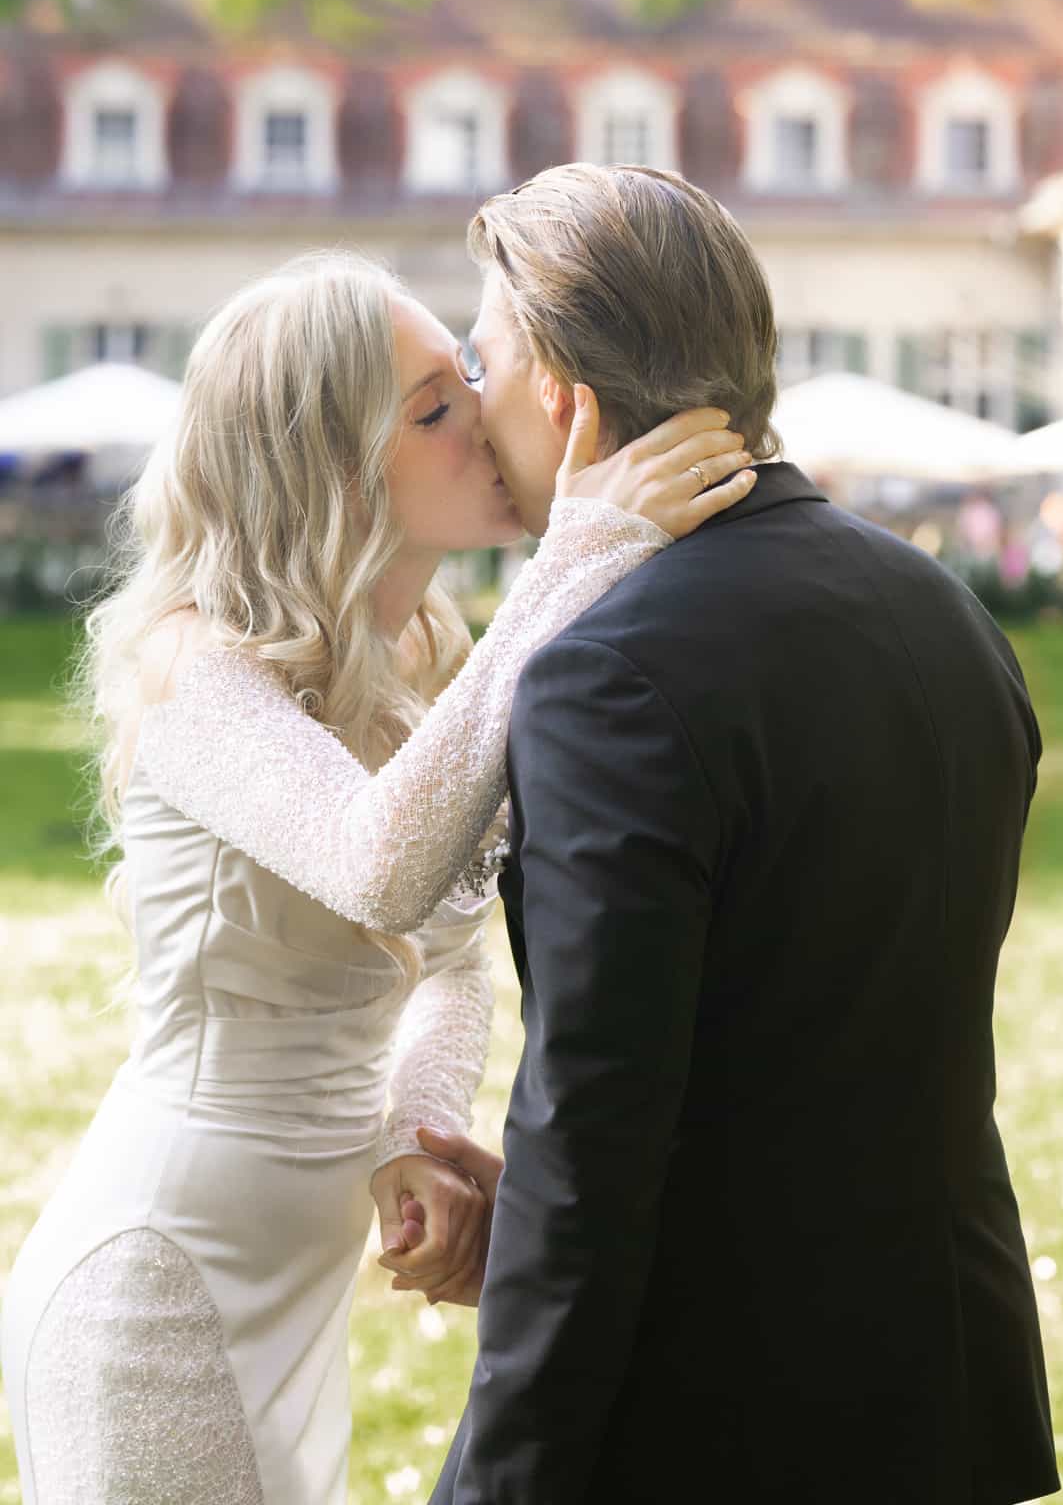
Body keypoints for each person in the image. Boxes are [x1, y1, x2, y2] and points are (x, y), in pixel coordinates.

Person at [0, 249, 756, 1505]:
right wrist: (577, 557)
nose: (484, 418)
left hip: (296, 1288)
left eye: (466, 378)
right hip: (155, 1294)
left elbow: (451, 957)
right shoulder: (195, 664)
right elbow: (380, 868)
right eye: (433, 409)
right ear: (330, 466)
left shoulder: (418, 656)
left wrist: (415, 1132)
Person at [413, 164, 1060, 1505]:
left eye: (482, 363)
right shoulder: (944, 615)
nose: (473, 405)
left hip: (712, 1416)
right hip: (942, 1390)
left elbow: (597, 1132)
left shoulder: (605, 675)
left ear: (563, 397)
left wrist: (499, 1480)